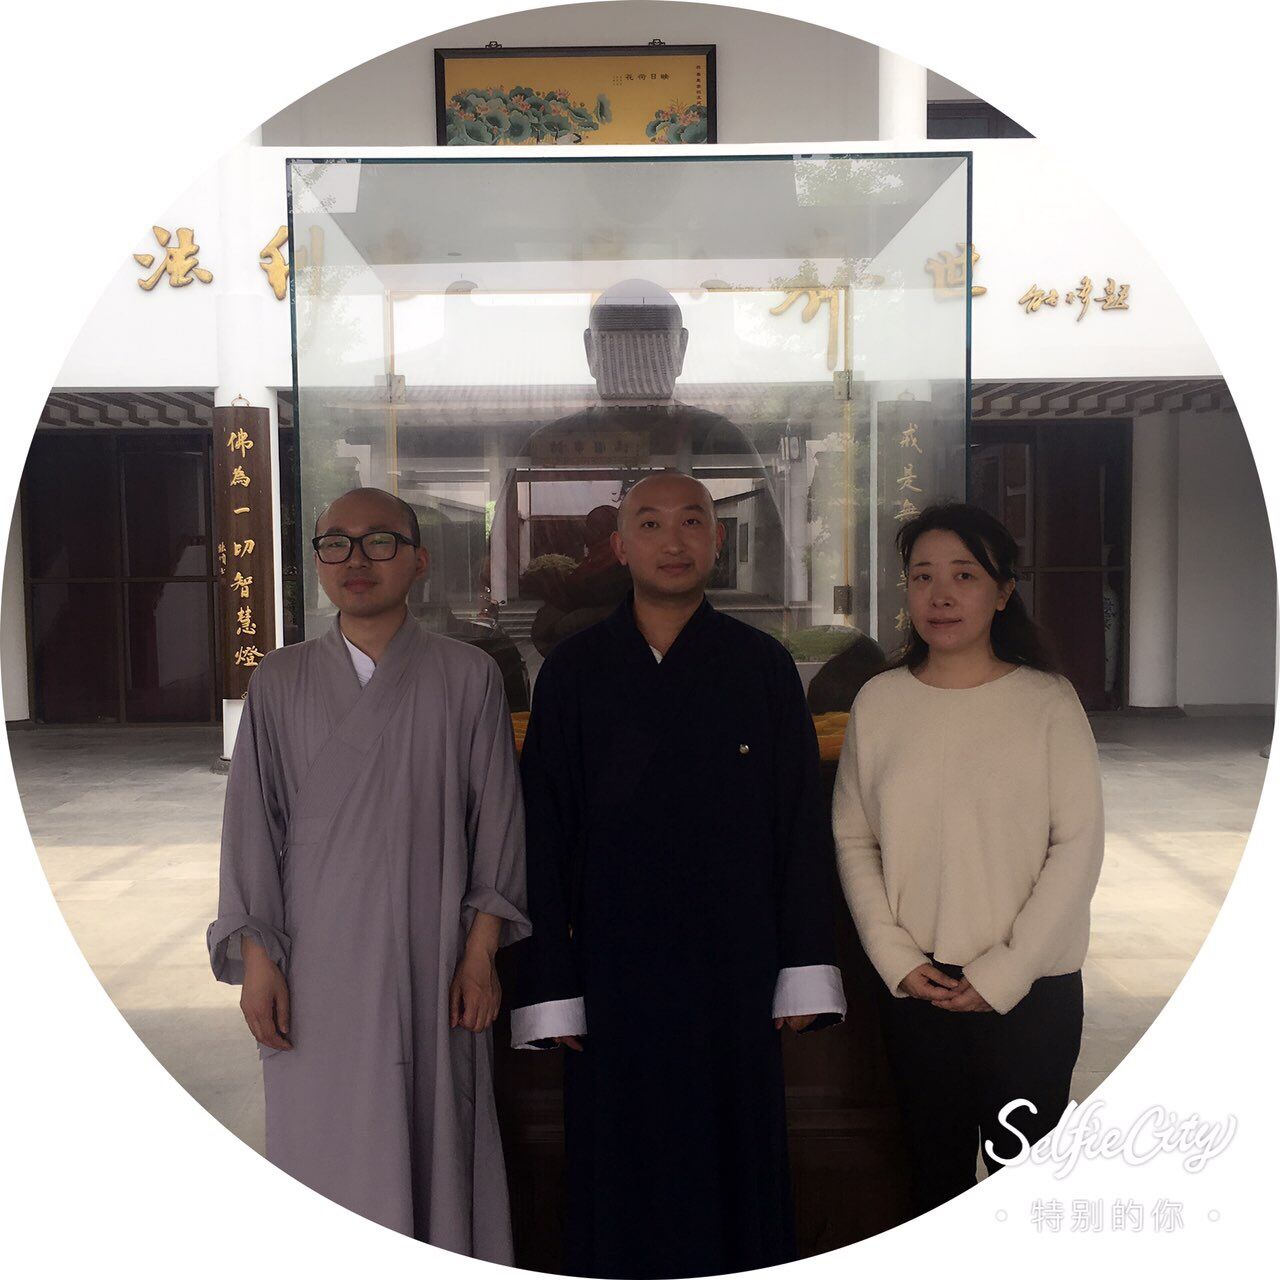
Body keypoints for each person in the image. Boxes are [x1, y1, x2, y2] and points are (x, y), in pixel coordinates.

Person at [509, 470, 846, 1279]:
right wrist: (551, 982)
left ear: (717, 541)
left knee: (734, 1159)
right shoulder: (575, 670)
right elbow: (541, 834)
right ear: (618, 546)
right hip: (612, 970)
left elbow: (801, 826)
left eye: (692, 521)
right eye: (651, 523)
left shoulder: (762, 666)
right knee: (618, 1163)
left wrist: (803, 964)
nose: (673, 540)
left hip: (736, 969)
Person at [207, 487, 528, 1260]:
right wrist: (258, 958)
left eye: (380, 541)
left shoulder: (467, 676)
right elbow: (251, 828)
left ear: (418, 561)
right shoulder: (278, 681)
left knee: (438, 1135)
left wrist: (481, 952)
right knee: (326, 1135)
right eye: (336, 543)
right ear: (317, 561)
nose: (356, 560)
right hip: (315, 959)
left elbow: (497, 820)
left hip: (434, 953)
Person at [832, 501, 1104, 1215]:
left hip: (1031, 990)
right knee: (934, 1184)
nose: (941, 595)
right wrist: (895, 958)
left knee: (1025, 1191)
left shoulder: (1047, 702)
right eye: (923, 576)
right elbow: (855, 838)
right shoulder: (879, 702)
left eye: (964, 575)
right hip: (918, 987)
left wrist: (1005, 972)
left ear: (1003, 591)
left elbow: (1077, 846)